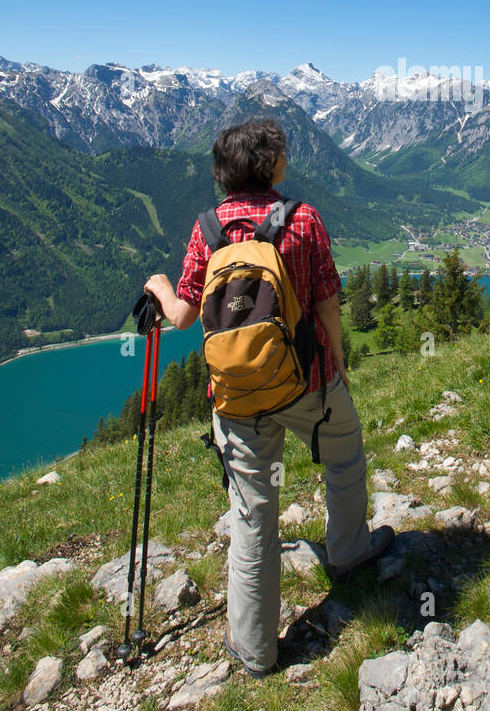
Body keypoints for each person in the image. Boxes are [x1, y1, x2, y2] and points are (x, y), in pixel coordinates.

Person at [144, 116, 393, 677]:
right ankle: (349, 549)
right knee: (345, 458)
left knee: (253, 518)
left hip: (237, 399)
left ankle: (255, 649)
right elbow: (327, 301)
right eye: (280, 154)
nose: (287, 161)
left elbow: (182, 315)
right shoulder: (301, 220)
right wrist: (339, 365)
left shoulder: (207, 230)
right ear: (268, 165)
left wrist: (159, 288)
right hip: (308, 380)